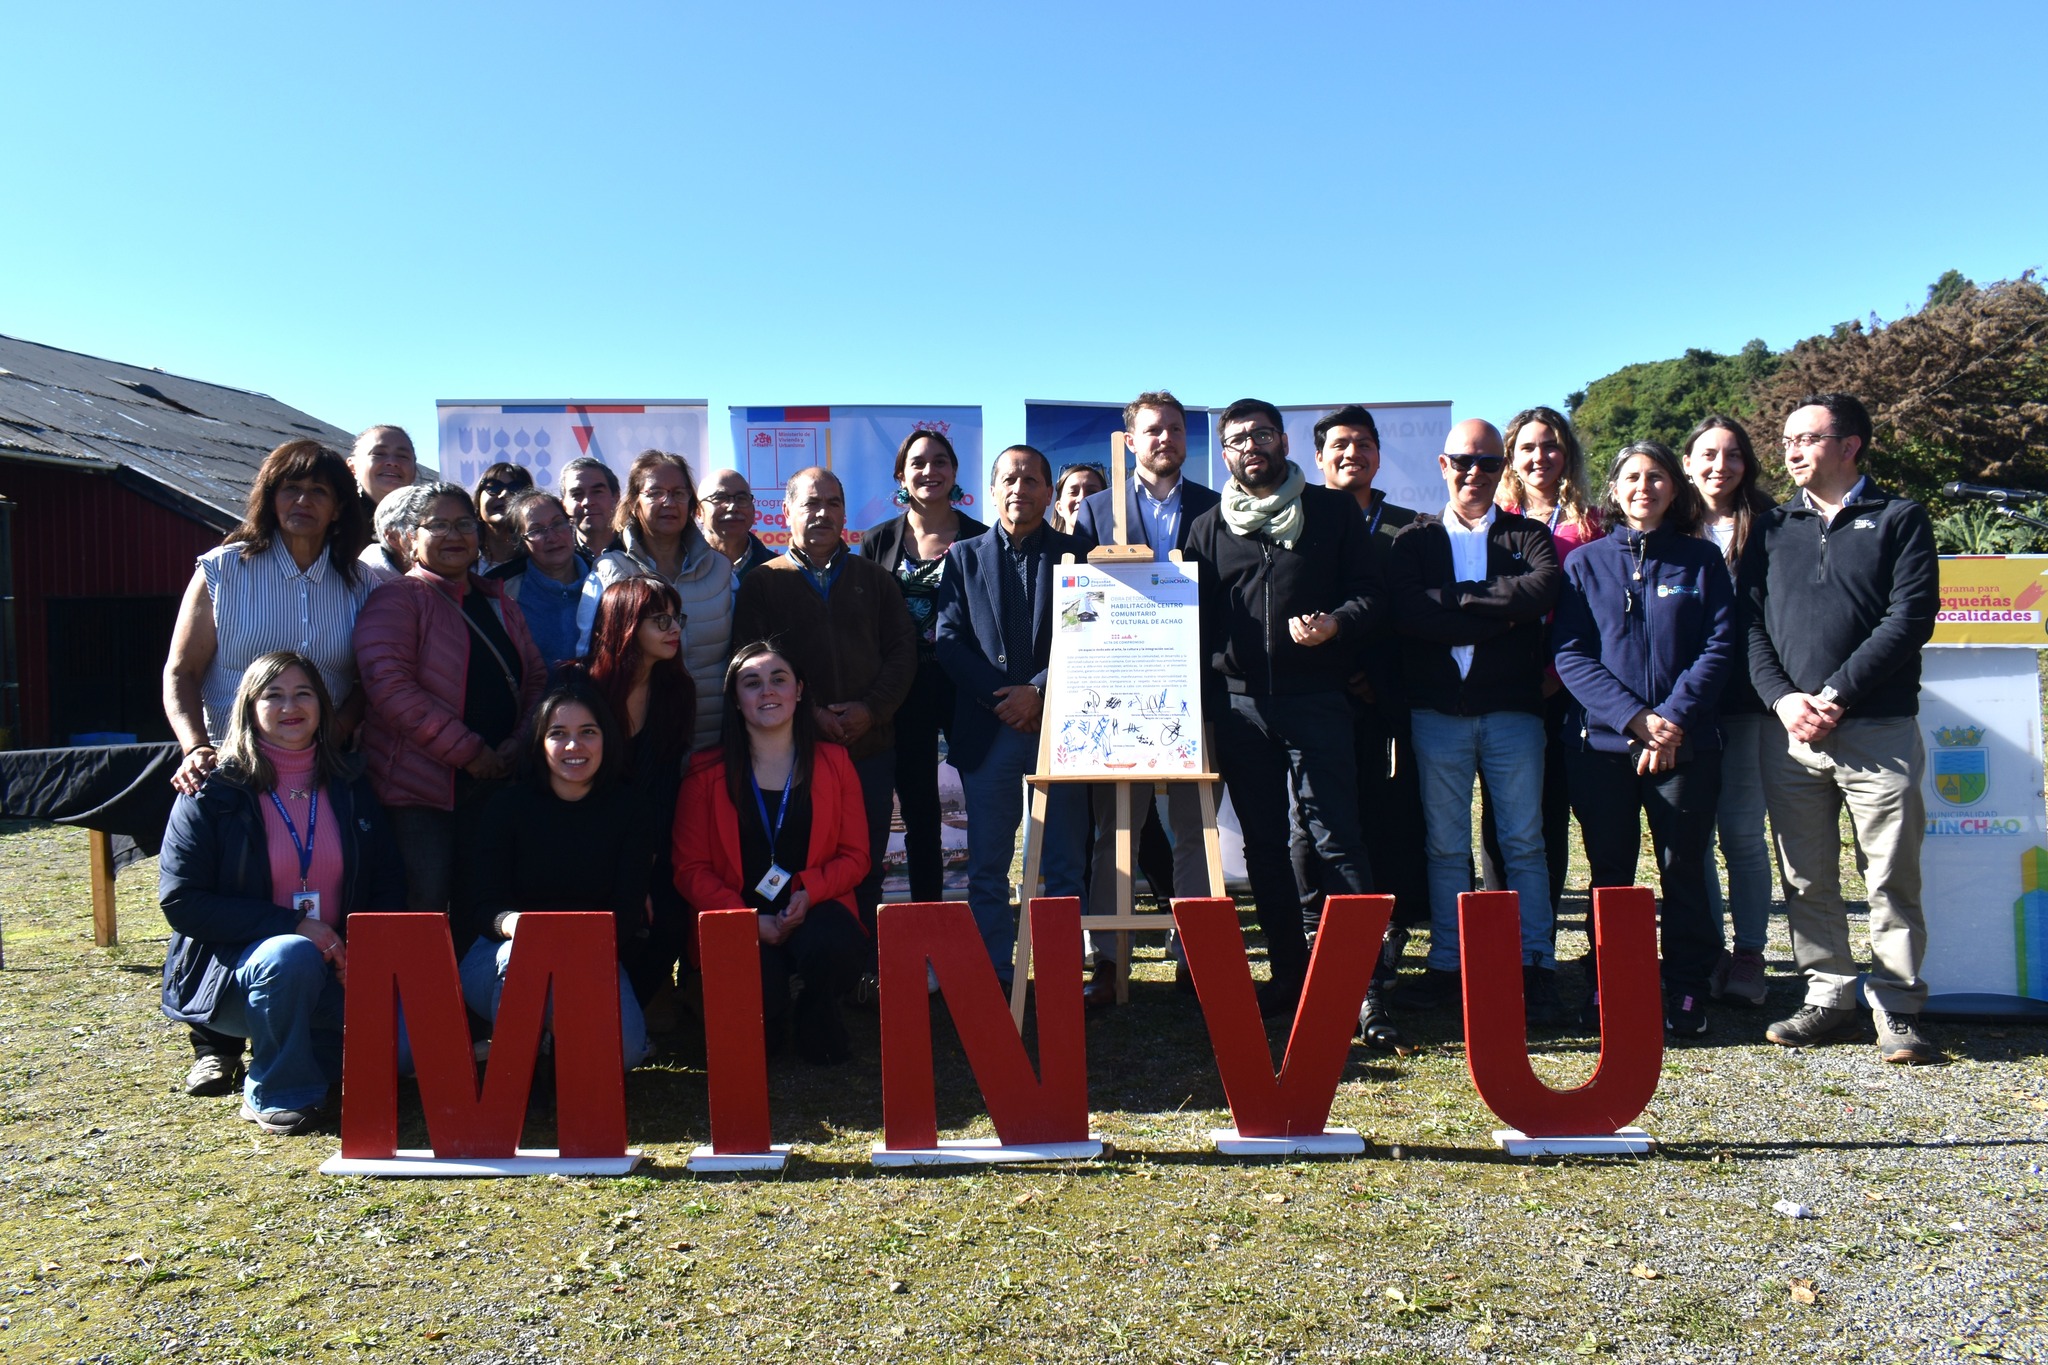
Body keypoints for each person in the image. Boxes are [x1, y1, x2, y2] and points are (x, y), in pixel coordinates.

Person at [160, 439, 374, 1098]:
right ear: (269, 497)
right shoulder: (224, 569)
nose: (302, 502)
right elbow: (182, 670)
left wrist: (339, 729)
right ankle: (215, 1041)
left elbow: (371, 672)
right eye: (289, 488)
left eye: (318, 491)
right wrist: (196, 746)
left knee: (325, 885)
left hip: (322, 772)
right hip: (236, 777)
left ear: (339, 506)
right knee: (234, 892)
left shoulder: (362, 582)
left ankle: (313, 1022)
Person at [1746, 393, 1941, 1064]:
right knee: (1804, 873)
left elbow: (1910, 616)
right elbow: (1749, 626)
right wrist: (1780, 699)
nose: (1792, 449)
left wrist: (1835, 694)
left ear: (1851, 444)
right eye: (1787, 439)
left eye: (1807, 437)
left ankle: (1898, 1004)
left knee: (1889, 873)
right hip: (1791, 732)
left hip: (1877, 729)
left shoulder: (1900, 518)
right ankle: (1828, 993)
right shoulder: (1771, 528)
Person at [1183, 399, 1384, 1019]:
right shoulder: (1208, 528)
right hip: (1241, 712)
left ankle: (1363, 986)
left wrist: (1337, 624)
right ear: (1225, 453)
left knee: (1336, 839)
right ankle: (1290, 978)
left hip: (1318, 701)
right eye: (1239, 438)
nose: (1253, 446)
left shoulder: (1330, 511)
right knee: (1264, 849)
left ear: (1285, 441)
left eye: (1263, 434)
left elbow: (1371, 594)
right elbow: (1196, 626)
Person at [158, 651, 405, 1134]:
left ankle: (314, 1055)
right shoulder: (212, 790)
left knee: (405, 1055)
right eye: (273, 695)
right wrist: (295, 925)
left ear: (322, 706)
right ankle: (275, 1091)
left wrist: (363, 955)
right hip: (236, 976)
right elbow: (182, 901)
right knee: (289, 955)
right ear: (249, 707)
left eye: (303, 694)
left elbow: (386, 883)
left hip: (338, 970)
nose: (290, 706)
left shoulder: (352, 783)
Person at [1552, 440, 1736, 1037]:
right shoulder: (1585, 563)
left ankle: (1686, 987)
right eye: (1632, 477)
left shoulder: (1701, 561)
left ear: (1674, 489)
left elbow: (1719, 647)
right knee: (1610, 870)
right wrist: (1635, 719)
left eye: (1656, 477)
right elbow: (1572, 655)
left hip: (1686, 746)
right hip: (1604, 748)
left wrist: (1671, 721)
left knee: (1683, 865)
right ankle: (1610, 982)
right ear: (1614, 488)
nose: (1644, 488)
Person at [1388, 419, 1563, 1025]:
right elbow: (1408, 613)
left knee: (1523, 843)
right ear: (1443, 465)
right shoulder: (1412, 541)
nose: (1475, 473)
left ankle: (1535, 962)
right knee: (1444, 848)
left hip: (1513, 713)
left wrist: (1452, 603)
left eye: (1488, 463)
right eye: (1464, 461)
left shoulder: (1529, 535)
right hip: (1437, 715)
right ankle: (1448, 963)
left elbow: (1538, 592)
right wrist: (1497, 609)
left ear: (1502, 468)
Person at [1069, 392, 1224, 993]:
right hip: (1121, 694)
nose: (1166, 439)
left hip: (1197, 693)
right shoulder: (1097, 510)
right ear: (1130, 440)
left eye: (1177, 430)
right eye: (1154, 431)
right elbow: (1081, 600)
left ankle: (1196, 955)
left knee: (1195, 827)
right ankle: (1110, 957)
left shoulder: (1214, 507)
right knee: (1117, 830)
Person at [733, 468, 918, 933]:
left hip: (869, 748)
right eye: (811, 503)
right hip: (794, 754)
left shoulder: (875, 580)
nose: (822, 513)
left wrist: (870, 710)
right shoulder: (763, 582)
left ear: (844, 514)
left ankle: (865, 964)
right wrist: (808, 714)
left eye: (833, 503)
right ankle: (800, 963)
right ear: (786, 511)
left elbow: (902, 653)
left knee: (866, 861)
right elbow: (749, 662)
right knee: (799, 862)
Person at [353, 482, 545, 923]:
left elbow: (534, 678)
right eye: (438, 524)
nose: (454, 535)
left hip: (495, 783)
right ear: (410, 537)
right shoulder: (398, 599)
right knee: (424, 909)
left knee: (483, 906)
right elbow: (389, 687)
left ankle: (475, 993)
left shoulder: (500, 601)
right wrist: (470, 751)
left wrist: (516, 744)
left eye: (463, 524)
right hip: (418, 793)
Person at [933, 445, 1089, 979]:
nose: (1019, 488)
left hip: (1060, 726)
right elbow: (949, 641)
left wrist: (1039, 691)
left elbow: (1089, 637)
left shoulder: (1079, 554)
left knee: (1064, 864)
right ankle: (993, 974)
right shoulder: (963, 555)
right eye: (1008, 479)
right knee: (988, 866)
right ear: (992, 489)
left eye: (1030, 479)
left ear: (1049, 492)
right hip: (989, 725)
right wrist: (1007, 697)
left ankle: (1062, 973)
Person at [674, 643, 869, 1062]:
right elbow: (690, 870)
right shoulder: (704, 773)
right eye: (752, 683)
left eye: (778, 680)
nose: (767, 691)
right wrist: (747, 922)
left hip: (814, 910)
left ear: (799, 691)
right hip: (737, 916)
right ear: (736, 700)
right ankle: (776, 1005)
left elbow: (856, 857)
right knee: (761, 1041)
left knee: (836, 947)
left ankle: (816, 1008)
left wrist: (809, 893)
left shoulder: (835, 762)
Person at [1300, 404, 1425, 1046]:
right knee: (1310, 828)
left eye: (1364, 445)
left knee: (1375, 825)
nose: (1352, 454)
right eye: (1339, 445)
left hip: (1382, 700)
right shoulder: (1296, 518)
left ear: (1380, 456)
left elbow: (1411, 611)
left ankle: (1382, 943)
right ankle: (1314, 960)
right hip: (1313, 694)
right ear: (1319, 458)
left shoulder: (1409, 528)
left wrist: (1378, 677)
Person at [457, 680, 652, 1069]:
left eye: (587, 733)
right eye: (558, 734)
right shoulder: (506, 807)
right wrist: (515, 925)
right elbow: (481, 906)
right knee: (522, 960)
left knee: (624, 1054)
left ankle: (545, 1045)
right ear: (540, 743)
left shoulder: (629, 810)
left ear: (606, 740)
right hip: (502, 953)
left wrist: (576, 955)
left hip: (591, 958)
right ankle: (525, 1069)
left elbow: (628, 911)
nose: (573, 746)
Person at [861, 430, 988, 903]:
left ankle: (984, 916)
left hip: (968, 691)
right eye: (917, 463)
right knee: (918, 815)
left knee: (984, 809)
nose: (929, 471)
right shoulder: (878, 541)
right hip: (903, 694)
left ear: (955, 473)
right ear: (901, 475)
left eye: (940, 461)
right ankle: (928, 915)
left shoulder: (982, 537)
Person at [1484, 406, 1601, 914]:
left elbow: (1601, 615)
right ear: (1510, 456)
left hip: (1570, 691)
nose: (1540, 457)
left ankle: (1540, 930)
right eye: (1528, 447)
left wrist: (1556, 675)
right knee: (1500, 811)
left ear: (1567, 453)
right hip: (1505, 686)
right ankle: (1497, 928)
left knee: (1552, 809)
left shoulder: (1593, 525)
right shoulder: (1492, 519)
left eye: (1550, 445)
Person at [1683, 414, 1779, 1007]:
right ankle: (1709, 948)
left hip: (1747, 703)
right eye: (1709, 455)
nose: (1721, 465)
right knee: (1691, 836)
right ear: (1688, 463)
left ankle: (1749, 952)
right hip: (1686, 705)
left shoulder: (1772, 524)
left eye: (1734, 454)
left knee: (1741, 832)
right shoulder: (1669, 524)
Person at [584, 578, 695, 1018]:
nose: (675, 630)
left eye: (677, 619)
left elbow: (665, 783)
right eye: (661, 620)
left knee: (669, 923)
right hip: (585, 840)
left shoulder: (676, 690)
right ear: (626, 625)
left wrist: (647, 855)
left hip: (650, 838)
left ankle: (627, 1012)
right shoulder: (579, 686)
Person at [592, 450, 736, 752]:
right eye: (655, 492)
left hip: (714, 745)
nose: (669, 503)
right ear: (633, 502)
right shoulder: (611, 572)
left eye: (679, 493)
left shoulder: (721, 569)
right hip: (638, 747)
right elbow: (590, 657)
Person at [491, 490, 597, 669]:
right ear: (521, 540)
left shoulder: (605, 582)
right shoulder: (502, 596)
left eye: (558, 524)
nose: (552, 537)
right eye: (537, 530)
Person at [699, 468, 776, 582]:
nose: (733, 507)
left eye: (742, 499)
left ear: (753, 510)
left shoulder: (780, 572)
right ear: (698, 512)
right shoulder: (678, 568)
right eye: (720, 498)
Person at [347, 425, 418, 525]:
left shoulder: (430, 522)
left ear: (414, 471)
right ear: (352, 467)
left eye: (402, 456)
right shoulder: (333, 518)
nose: (392, 462)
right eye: (379, 454)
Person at [472, 462, 534, 574]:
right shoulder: (461, 561)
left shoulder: (542, 562)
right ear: (478, 499)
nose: (505, 494)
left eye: (516, 488)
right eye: (494, 487)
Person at [559, 456, 621, 559]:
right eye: (577, 494)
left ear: (616, 497)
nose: (587, 502)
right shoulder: (555, 557)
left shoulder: (640, 549)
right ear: (563, 505)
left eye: (597, 492)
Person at [360, 487, 416, 585]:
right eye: (437, 526)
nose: (451, 537)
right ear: (394, 537)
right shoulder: (364, 589)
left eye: (453, 525)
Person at [1049, 463, 1106, 535]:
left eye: (1091, 492)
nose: (1082, 498)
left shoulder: (1121, 545)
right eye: (1073, 492)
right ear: (1059, 508)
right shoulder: (1044, 546)